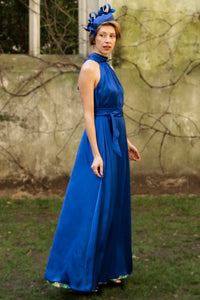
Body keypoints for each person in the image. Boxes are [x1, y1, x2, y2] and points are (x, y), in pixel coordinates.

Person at [45, 4, 140, 293]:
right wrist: (96, 154)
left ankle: (109, 270)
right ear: (93, 38)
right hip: (98, 143)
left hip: (116, 141)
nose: (108, 40)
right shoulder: (89, 68)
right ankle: (82, 273)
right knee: (94, 205)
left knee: (114, 205)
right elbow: (90, 114)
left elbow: (114, 110)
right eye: (102, 35)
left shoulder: (108, 67)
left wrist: (126, 141)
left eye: (112, 35)